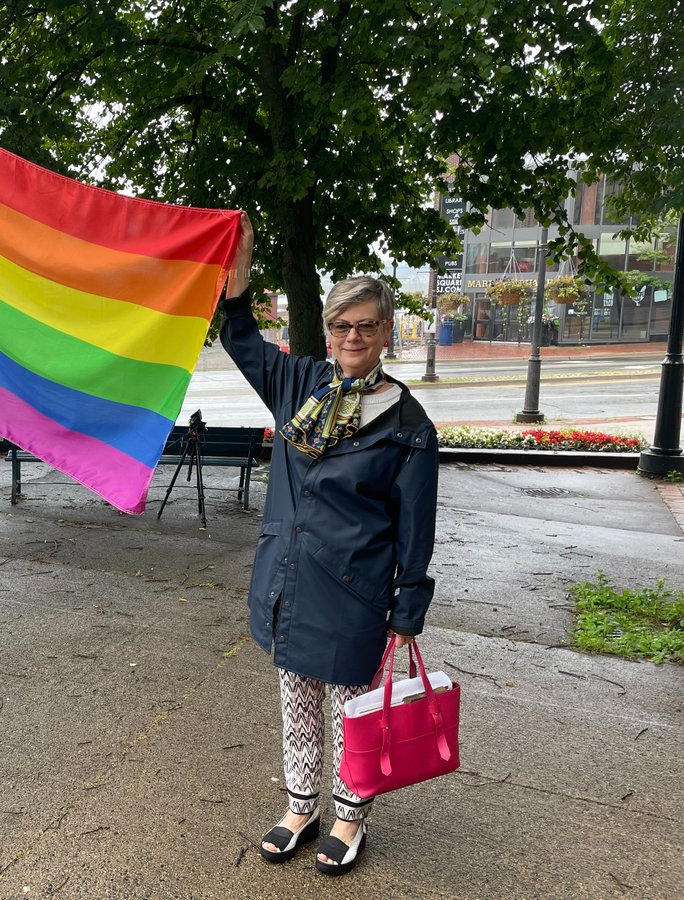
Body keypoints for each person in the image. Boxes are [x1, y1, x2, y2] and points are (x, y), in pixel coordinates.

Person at [219, 215, 438, 876]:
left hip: (353, 592)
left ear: (386, 331)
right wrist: (238, 278)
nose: (352, 337)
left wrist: (407, 610)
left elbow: (415, 528)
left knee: (350, 712)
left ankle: (349, 816)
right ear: (328, 328)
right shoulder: (301, 385)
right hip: (289, 581)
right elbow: (242, 340)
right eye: (341, 325)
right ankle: (300, 808)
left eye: (366, 325)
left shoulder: (407, 424)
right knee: (297, 703)